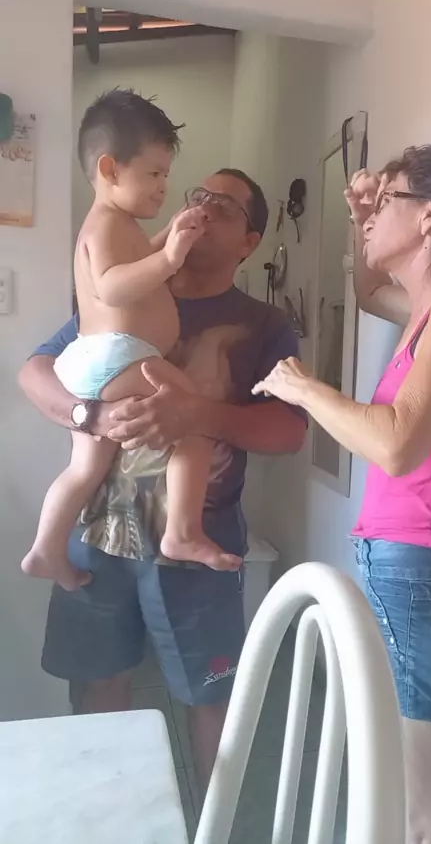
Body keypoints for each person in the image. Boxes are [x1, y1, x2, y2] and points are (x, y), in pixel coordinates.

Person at [19, 167, 307, 798]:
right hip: (97, 534)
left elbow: (290, 430)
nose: (202, 208)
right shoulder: (128, 290)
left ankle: (216, 825)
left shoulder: (264, 325)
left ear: (250, 242)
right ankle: (107, 816)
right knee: (98, 687)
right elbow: (37, 371)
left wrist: (199, 415)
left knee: (211, 697)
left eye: (223, 206)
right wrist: (88, 416)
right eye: (197, 196)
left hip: (201, 541)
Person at [253, 145, 431, 844]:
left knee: (420, 802)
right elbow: (367, 293)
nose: (371, 214)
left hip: (426, 566)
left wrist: (304, 388)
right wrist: (361, 222)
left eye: (386, 203)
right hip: (419, 564)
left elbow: (399, 444)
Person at [23, 89, 241, 593]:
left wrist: (170, 234)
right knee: (192, 419)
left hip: (98, 359)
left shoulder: (119, 224)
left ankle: (47, 549)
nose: (164, 186)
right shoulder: (104, 226)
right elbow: (112, 286)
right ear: (110, 168)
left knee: (86, 467)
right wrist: (170, 258)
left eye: (166, 175)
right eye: (154, 174)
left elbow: (136, 263)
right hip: (118, 356)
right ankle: (182, 531)